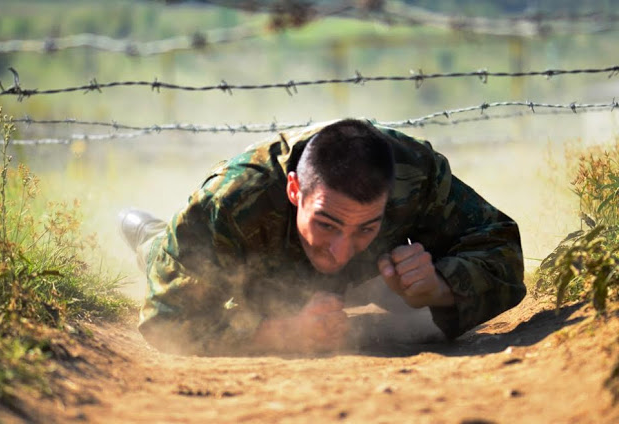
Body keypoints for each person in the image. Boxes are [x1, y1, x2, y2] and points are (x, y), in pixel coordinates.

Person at [119, 118, 526, 355]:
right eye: (327, 224)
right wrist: (279, 332)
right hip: (256, 274)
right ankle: (148, 233)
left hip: (371, 281)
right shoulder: (233, 199)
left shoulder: (414, 174)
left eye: (366, 226)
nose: (340, 250)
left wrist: (438, 287)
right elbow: (166, 320)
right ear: (295, 191)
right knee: (162, 256)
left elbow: (501, 246)